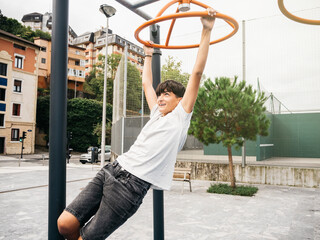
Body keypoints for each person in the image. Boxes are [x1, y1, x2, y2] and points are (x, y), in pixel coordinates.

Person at [57, 8, 217, 240]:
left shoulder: (180, 117)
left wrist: (206, 30)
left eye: (167, 95)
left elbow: (197, 73)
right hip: (112, 170)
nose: (161, 97)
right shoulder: (156, 113)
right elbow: (146, 83)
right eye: (160, 94)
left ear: (180, 101)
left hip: (130, 189)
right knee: (65, 224)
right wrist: (148, 54)